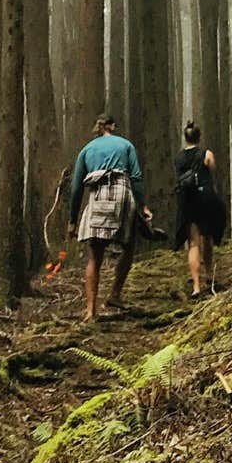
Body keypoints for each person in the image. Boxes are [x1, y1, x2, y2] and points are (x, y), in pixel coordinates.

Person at [68, 114, 152, 320]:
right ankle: (115, 294)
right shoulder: (125, 145)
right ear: (112, 126)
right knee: (128, 246)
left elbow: (76, 188)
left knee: (94, 256)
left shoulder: (86, 150)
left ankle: (91, 310)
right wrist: (143, 205)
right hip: (122, 194)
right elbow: (136, 177)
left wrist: (72, 220)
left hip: (97, 197)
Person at [173, 121, 227, 297]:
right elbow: (212, 169)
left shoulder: (179, 158)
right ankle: (210, 276)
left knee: (193, 243)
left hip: (188, 202)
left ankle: (196, 286)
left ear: (185, 137)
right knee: (208, 238)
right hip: (205, 199)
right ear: (199, 136)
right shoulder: (206, 154)